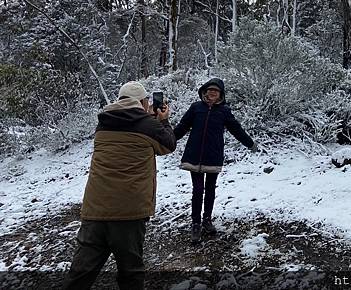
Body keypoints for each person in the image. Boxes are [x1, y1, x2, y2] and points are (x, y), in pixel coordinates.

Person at [63, 81, 176, 290]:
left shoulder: (104, 121)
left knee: (81, 272)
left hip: (95, 209)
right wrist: (164, 121)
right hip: (128, 211)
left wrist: (149, 119)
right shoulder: (149, 125)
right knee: (130, 272)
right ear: (144, 102)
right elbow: (168, 145)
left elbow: (131, 128)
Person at [175, 78, 256, 243]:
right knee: (197, 190)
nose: (212, 92)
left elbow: (236, 129)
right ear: (205, 92)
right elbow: (183, 126)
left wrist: (250, 143)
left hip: (213, 155)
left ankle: (207, 220)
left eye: (216, 91)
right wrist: (168, 139)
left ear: (220, 94)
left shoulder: (224, 111)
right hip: (194, 155)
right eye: (210, 90)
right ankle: (196, 223)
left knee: (210, 189)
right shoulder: (196, 107)